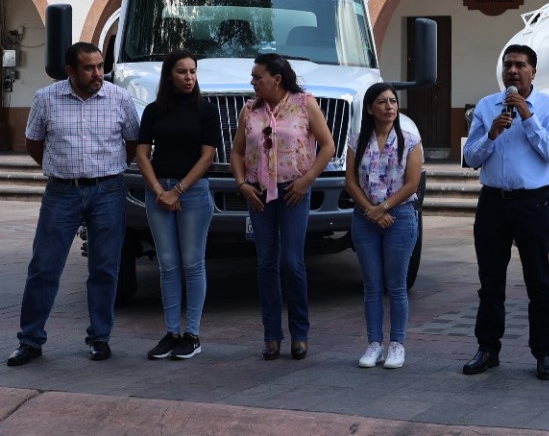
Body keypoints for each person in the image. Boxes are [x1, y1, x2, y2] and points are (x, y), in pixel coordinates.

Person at [6, 42, 140, 366]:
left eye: (99, 66)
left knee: (105, 268)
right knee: (44, 267)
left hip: (107, 190)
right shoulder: (45, 99)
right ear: (70, 71)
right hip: (61, 193)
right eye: (89, 68)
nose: (97, 73)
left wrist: (109, 173)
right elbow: (34, 143)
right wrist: (60, 170)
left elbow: (133, 143)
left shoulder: (119, 98)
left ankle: (99, 338)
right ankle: (30, 339)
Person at [462, 44, 549, 380]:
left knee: (538, 280)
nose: (512, 71)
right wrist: (491, 134)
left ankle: (544, 352)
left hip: (533, 203)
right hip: (493, 203)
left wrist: (527, 116)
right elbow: (472, 158)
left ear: (533, 71)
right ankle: (488, 349)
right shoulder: (486, 106)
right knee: (490, 282)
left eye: (520, 65)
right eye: (508, 65)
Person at [230, 54, 336, 361]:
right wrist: (241, 184)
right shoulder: (249, 110)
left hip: (293, 191)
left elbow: (327, 145)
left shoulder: (304, 104)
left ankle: (300, 334)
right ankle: (271, 335)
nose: (253, 82)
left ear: (276, 79)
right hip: (259, 194)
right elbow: (237, 151)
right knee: (266, 263)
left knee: (292, 261)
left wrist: (307, 181)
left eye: (257, 77)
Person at [135, 50, 220, 360]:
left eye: (193, 72)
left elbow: (207, 156)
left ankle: (192, 334)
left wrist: (179, 191)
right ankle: (171, 332)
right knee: (168, 264)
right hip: (158, 193)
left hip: (193, 193)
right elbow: (142, 154)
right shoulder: (154, 110)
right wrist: (160, 190)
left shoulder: (206, 111)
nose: (189, 77)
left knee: (192, 263)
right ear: (169, 75)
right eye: (182, 72)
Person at [345, 83, 424, 369]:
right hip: (366, 219)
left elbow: (413, 183)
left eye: (393, 101)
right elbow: (351, 182)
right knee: (372, 286)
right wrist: (371, 210)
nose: (389, 106)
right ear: (369, 108)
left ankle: (397, 345)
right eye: (382, 102)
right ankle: (374, 344)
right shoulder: (357, 140)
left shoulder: (411, 139)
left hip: (399, 217)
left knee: (397, 286)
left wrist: (383, 208)